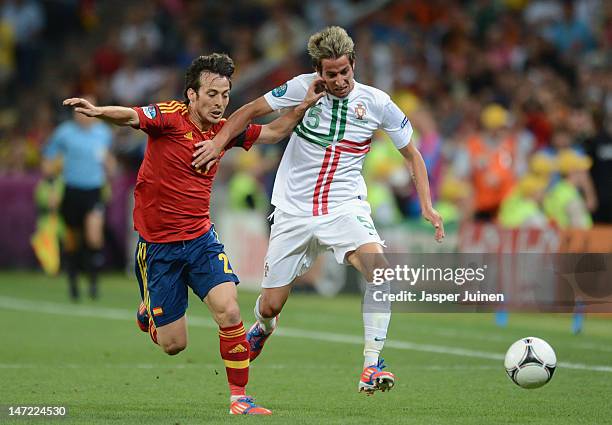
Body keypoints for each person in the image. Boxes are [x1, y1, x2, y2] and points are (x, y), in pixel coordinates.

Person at [63, 53, 325, 415]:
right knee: (174, 345)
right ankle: (148, 313)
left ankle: (239, 398)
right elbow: (130, 116)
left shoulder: (226, 131)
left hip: (201, 240)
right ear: (191, 95)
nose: (220, 103)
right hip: (158, 248)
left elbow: (275, 132)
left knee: (230, 310)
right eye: (212, 94)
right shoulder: (168, 116)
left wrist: (303, 105)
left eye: (225, 94)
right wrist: (98, 111)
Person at [192, 27, 444, 395]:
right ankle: (263, 328)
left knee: (379, 272)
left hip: (344, 208)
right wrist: (217, 143)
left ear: (353, 64)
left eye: (345, 72)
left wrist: (427, 205)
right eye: (331, 74)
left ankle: (372, 365)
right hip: (293, 210)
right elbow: (248, 111)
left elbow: (413, 155)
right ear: (318, 72)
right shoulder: (300, 88)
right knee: (271, 304)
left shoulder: (377, 103)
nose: (339, 80)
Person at [42, 95, 114, 301]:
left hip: (94, 191)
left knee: (94, 236)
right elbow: (48, 158)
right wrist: (53, 185)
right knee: (72, 240)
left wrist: (110, 167)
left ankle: (93, 283)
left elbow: (108, 160)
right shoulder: (64, 133)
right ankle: (73, 283)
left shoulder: (103, 133)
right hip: (71, 190)